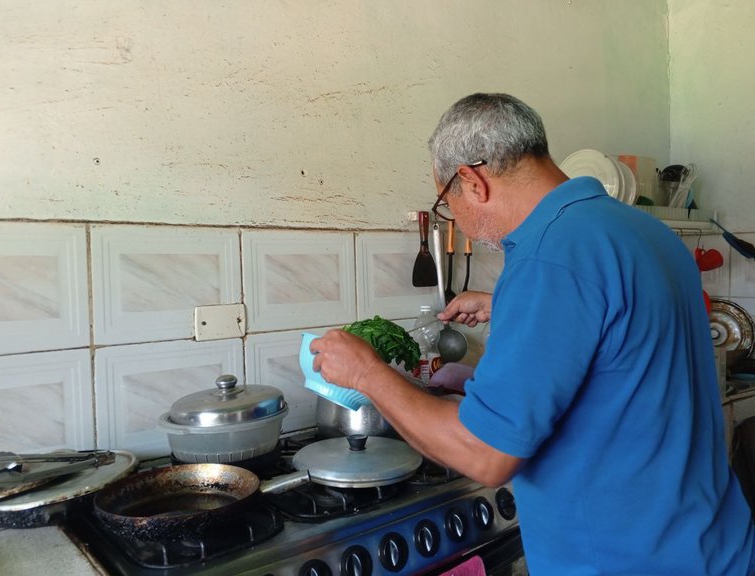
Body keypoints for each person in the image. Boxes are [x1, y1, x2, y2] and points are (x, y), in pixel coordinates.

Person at [309, 93, 755, 574]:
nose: (454, 217)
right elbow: (623, 336)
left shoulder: (550, 260)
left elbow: (485, 456)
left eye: (446, 203)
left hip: (625, 561)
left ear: (471, 181)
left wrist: (368, 373)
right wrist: (508, 309)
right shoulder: (642, 232)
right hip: (714, 545)